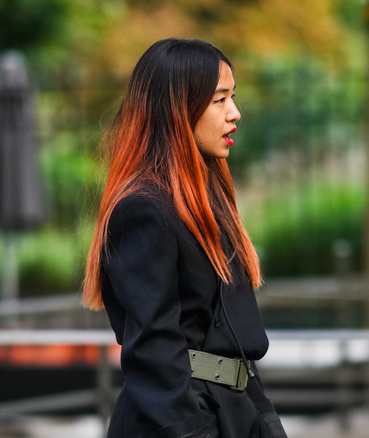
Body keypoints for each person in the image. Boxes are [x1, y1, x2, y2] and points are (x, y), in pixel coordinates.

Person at [83, 38, 288, 438]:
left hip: (232, 412)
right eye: (220, 100)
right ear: (178, 109)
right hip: (178, 423)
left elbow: (237, 347)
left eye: (233, 97)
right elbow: (154, 351)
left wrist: (267, 424)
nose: (236, 113)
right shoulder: (143, 210)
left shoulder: (210, 203)